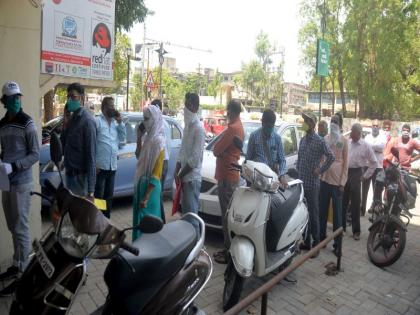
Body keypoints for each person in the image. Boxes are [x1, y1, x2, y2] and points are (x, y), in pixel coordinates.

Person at [0, 81, 39, 296]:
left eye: (18, 97)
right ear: (4, 101)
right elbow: (4, 150)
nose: (16, 100)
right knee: (11, 225)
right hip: (4, 180)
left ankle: (24, 272)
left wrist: (14, 165)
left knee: (21, 226)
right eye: (11, 98)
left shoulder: (28, 123)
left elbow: (34, 154)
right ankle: (16, 263)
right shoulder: (2, 125)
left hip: (22, 181)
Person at [297, 112, 334, 256]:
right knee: (303, 213)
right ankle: (306, 242)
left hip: (312, 184)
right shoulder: (303, 140)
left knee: (313, 214)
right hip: (302, 182)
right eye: (304, 120)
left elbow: (331, 156)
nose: (304, 123)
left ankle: (316, 244)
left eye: (306, 120)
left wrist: (320, 170)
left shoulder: (320, 141)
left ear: (312, 124)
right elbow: (300, 158)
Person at [212, 100, 245, 264]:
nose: (226, 114)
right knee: (228, 215)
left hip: (227, 176)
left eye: (228, 111)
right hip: (231, 175)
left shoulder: (233, 128)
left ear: (232, 111)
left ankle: (228, 251)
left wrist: (220, 152)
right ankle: (229, 250)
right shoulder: (239, 125)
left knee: (226, 217)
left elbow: (216, 149)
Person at [133, 105, 166, 241]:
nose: (145, 122)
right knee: (138, 221)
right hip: (141, 184)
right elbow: (138, 155)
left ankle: (148, 255)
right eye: (144, 119)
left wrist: (146, 196)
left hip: (150, 190)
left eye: (147, 119)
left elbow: (156, 173)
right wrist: (139, 138)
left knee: (148, 223)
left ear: (155, 119)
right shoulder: (148, 138)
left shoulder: (159, 142)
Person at [175, 93, 205, 232]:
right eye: (185, 105)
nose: (186, 108)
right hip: (184, 178)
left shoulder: (199, 128)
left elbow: (194, 159)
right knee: (186, 218)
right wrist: (177, 170)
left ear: (196, 107)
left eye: (189, 105)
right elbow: (182, 152)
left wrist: (181, 174)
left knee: (193, 219)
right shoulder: (187, 127)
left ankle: (197, 250)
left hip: (192, 179)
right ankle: (189, 248)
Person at [61, 83, 96, 199]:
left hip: (80, 180)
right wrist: (65, 124)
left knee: (79, 215)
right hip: (69, 175)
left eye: (73, 97)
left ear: (82, 98)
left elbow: (91, 155)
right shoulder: (72, 119)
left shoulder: (87, 121)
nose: (70, 100)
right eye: (68, 97)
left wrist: (91, 191)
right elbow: (63, 145)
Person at [342, 123, 377, 240]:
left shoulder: (365, 145)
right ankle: (341, 228)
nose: (350, 133)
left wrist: (365, 176)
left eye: (352, 131)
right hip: (346, 172)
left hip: (357, 173)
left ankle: (356, 231)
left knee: (356, 204)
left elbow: (374, 163)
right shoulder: (347, 142)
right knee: (343, 201)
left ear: (358, 133)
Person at [319, 115, 348, 256]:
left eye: (336, 122)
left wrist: (343, 182)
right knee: (322, 211)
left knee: (337, 215)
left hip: (337, 183)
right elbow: (321, 159)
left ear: (340, 124)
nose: (333, 124)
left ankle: (337, 245)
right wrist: (319, 174)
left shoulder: (344, 141)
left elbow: (346, 163)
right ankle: (321, 238)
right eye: (332, 121)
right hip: (324, 180)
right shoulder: (325, 139)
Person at [94, 97, 126, 218]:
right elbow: (92, 143)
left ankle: (106, 219)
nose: (113, 108)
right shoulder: (97, 121)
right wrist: (94, 163)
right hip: (100, 166)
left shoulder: (115, 123)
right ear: (103, 108)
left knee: (109, 196)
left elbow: (123, 138)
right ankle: (98, 218)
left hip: (112, 166)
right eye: (110, 106)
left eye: (113, 106)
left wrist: (120, 122)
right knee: (99, 196)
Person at [246, 109, 288, 185]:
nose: (270, 128)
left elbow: (282, 160)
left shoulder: (277, 138)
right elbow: (248, 159)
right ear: (262, 123)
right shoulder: (254, 136)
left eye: (272, 126)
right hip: (257, 180)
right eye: (268, 126)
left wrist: (282, 176)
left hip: (272, 180)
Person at [361, 119, 386, 216]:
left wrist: (370, 147)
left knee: (377, 190)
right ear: (371, 126)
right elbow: (365, 147)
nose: (375, 127)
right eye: (373, 125)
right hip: (367, 166)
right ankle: (362, 209)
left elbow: (381, 147)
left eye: (377, 126)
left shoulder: (383, 137)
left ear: (379, 127)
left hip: (378, 167)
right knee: (364, 189)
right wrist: (374, 148)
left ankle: (376, 210)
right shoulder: (367, 136)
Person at [151, 99, 169, 223]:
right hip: (162, 159)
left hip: (161, 160)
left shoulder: (160, 123)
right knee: (157, 193)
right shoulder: (161, 122)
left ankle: (160, 221)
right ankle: (159, 220)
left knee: (156, 193)